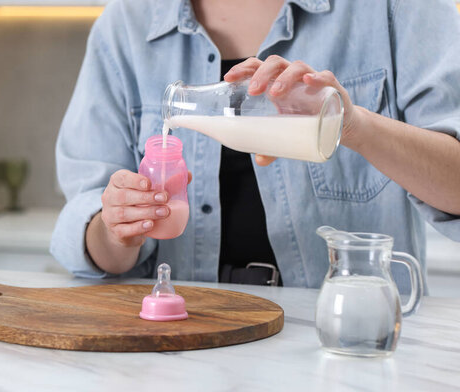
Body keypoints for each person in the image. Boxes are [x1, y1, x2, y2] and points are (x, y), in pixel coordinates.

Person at [51, 0, 460, 293]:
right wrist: (118, 227)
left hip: (346, 336)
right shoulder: (126, 24)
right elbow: (93, 229)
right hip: (184, 340)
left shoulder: (398, 8)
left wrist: (353, 125)